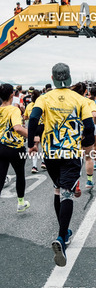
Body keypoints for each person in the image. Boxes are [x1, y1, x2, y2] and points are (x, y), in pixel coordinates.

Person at [27, 64, 94, 266]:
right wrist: (87, 142)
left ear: (52, 78)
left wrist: (31, 144)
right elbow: (89, 126)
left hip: (50, 153)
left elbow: (33, 119)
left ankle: (64, 233)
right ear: (70, 77)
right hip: (71, 152)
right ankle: (61, 238)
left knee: (57, 190)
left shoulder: (44, 97)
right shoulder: (80, 99)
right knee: (67, 193)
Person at [0, 83, 30, 212]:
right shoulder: (14, 110)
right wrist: (32, 136)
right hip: (15, 147)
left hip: (1, 147)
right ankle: (21, 203)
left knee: (1, 177)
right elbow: (18, 128)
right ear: (12, 94)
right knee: (20, 174)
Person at [71, 82, 96, 190]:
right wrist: (95, 123)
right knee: (88, 157)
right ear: (86, 91)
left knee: (74, 158)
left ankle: (75, 183)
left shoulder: (70, 101)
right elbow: (94, 114)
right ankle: (89, 180)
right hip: (87, 129)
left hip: (73, 132)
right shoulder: (89, 101)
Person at [24, 89, 43, 173]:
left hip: (33, 127)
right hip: (42, 126)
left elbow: (25, 117)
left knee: (34, 146)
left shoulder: (29, 106)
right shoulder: (42, 104)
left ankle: (34, 166)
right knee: (44, 145)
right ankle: (44, 162)